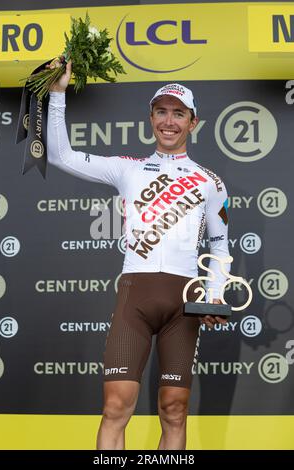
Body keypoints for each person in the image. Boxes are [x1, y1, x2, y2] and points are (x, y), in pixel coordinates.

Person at [47, 60, 230, 450]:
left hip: (185, 303)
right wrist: (58, 94)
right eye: (161, 111)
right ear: (150, 117)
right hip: (136, 297)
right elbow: (60, 156)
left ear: (192, 123)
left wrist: (214, 295)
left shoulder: (211, 182)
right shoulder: (127, 169)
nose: (169, 121)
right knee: (115, 407)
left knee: (175, 409)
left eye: (178, 113)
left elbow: (219, 245)